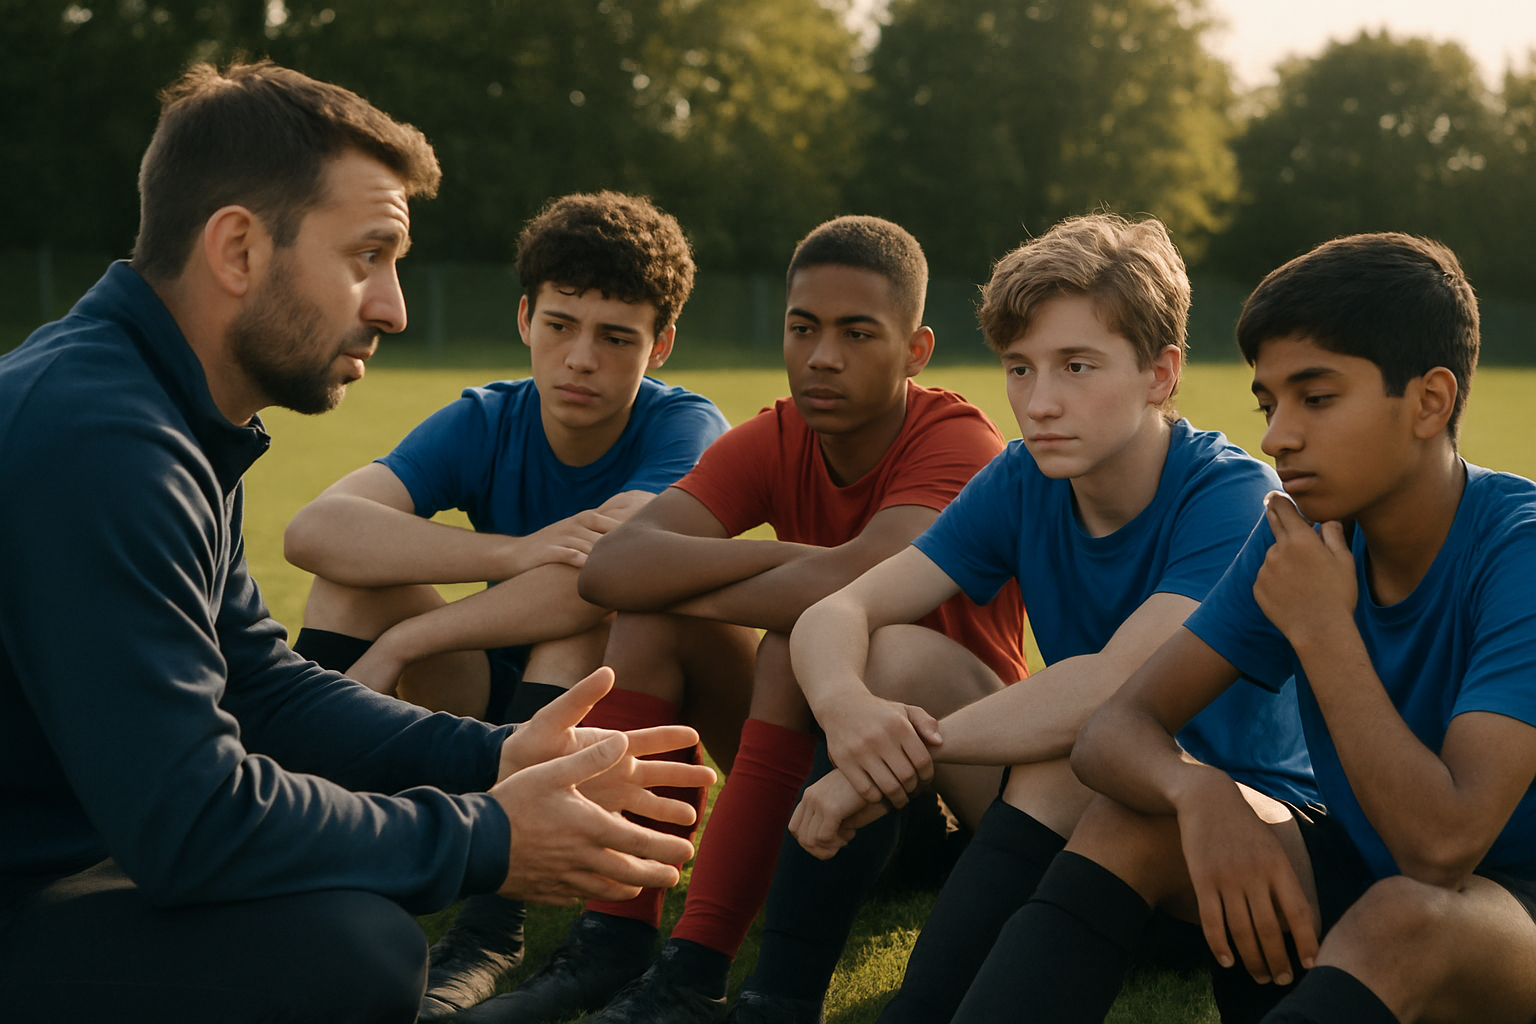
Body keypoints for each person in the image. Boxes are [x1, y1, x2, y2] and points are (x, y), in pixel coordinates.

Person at [0, 61, 714, 1024]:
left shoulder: (154, 409)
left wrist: (494, 757)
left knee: (351, 920)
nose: (393, 306)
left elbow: (258, 681)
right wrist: (488, 837)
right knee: (354, 956)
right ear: (239, 250)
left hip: (68, 847)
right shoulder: (101, 439)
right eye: (367, 257)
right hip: (35, 883)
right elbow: (192, 821)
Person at [949, 232, 1536, 1024]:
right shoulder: (1300, 532)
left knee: (1403, 917)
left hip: (1502, 918)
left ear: (1430, 400)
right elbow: (1113, 730)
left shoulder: (1518, 548)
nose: (1276, 437)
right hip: (1364, 873)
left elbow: (1440, 849)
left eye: (1316, 398)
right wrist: (1199, 793)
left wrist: (1324, 629)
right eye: (1270, 403)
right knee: (1134, 817)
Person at [457, 215, 1028, 1024]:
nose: (822, 355)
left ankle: (706, 968)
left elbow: (867, 578)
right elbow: (616, 569)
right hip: (819, 774)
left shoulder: (957, 440)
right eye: (804, 328)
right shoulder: (777, 433)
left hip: (946, 791)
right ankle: (620, 943)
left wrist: (727, 580)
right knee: (654, 626)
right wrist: (800, 573)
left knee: (814, 637)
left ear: (915, 350)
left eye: (857, 333)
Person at [779, 213, 1315, 1024]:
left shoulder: (1229, 495)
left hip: (1233, 846)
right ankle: (771, 997)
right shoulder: (1024, 476)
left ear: (1160, 374)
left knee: (1071, 755)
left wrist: (890, 762)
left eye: (1076, 366)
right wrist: (847, 713)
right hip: (1087, 812)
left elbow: (1113, 689)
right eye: (1020, 369)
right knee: (891, 652)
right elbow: (839, 608)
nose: (1040, 402)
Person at [282, 190, 729, 1019]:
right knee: (348, 579)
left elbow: (598, 578)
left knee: (581, 624)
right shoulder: (487, 417)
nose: (581, 359)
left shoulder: (685, 430)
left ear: (660, 344)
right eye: (560, 325)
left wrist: (412, 637)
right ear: (525, 318)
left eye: (616, 337)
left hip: (612, 720)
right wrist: (510, 551)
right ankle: (310, 850)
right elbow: (317, 529)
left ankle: (492, 927)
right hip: (490, 701)